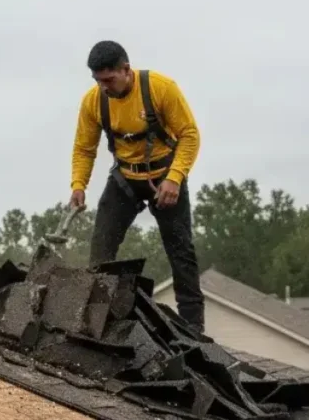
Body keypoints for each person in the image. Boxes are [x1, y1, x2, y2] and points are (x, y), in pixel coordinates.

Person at [69, 40, 206, 333]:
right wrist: (79, 185)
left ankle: (194, 329)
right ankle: (93, 319)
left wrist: (175, 177)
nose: (104, 86)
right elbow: (84, 148)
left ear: (126, 70)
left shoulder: (161, 88)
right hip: (125, 180)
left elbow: (189, 135)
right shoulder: (94, 101)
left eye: (108, 79)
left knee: (181, 251)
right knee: (101, 247)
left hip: (164, 177)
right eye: (97, 80)